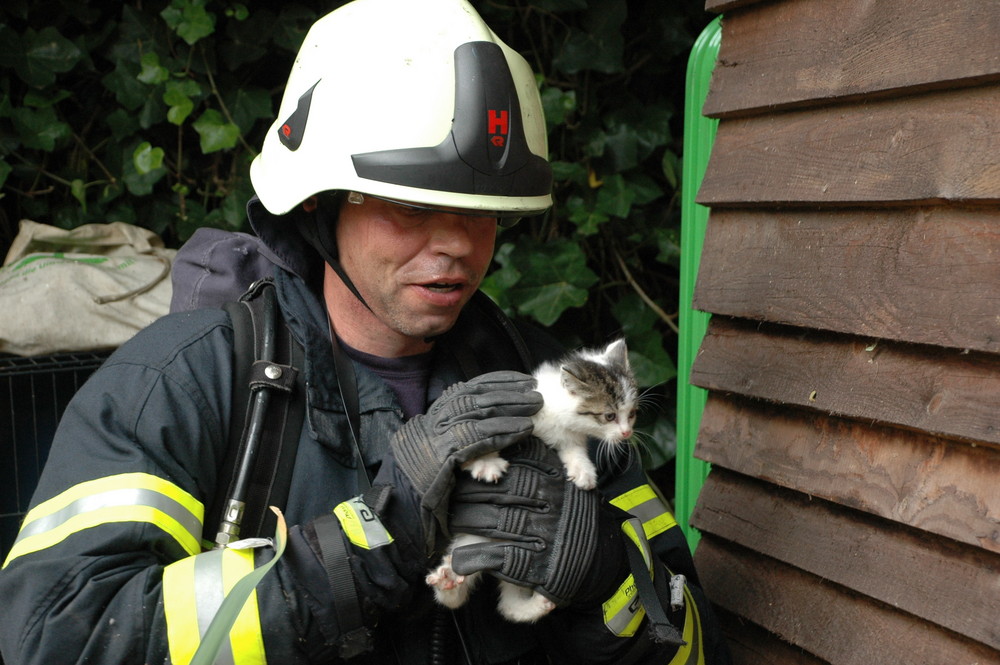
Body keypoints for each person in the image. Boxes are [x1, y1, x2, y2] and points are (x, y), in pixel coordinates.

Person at [0, 1, 731, 664]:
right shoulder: (184, 384)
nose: (456, 246)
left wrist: (608, 585)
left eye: (479, 213)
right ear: (319, 207)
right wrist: (365, 545)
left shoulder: (557, 388)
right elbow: (58, 636)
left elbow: (697, 644)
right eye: (411, 208)